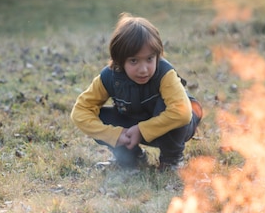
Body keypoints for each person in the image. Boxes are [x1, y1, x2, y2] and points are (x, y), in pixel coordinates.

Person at [71, 13, 203, 171]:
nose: (143, 69)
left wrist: (142, 130)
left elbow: (182, 113)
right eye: (134, 61)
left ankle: (171, 160)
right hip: (132, 126)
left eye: (149, 59)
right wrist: (114, 135)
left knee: (173, 107)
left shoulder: (165, 73)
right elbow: (80, 111)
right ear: (120, 61)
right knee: (97, 116)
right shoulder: (110, 76)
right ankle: (132, 157)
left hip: (176, 126)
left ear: (158, 56)